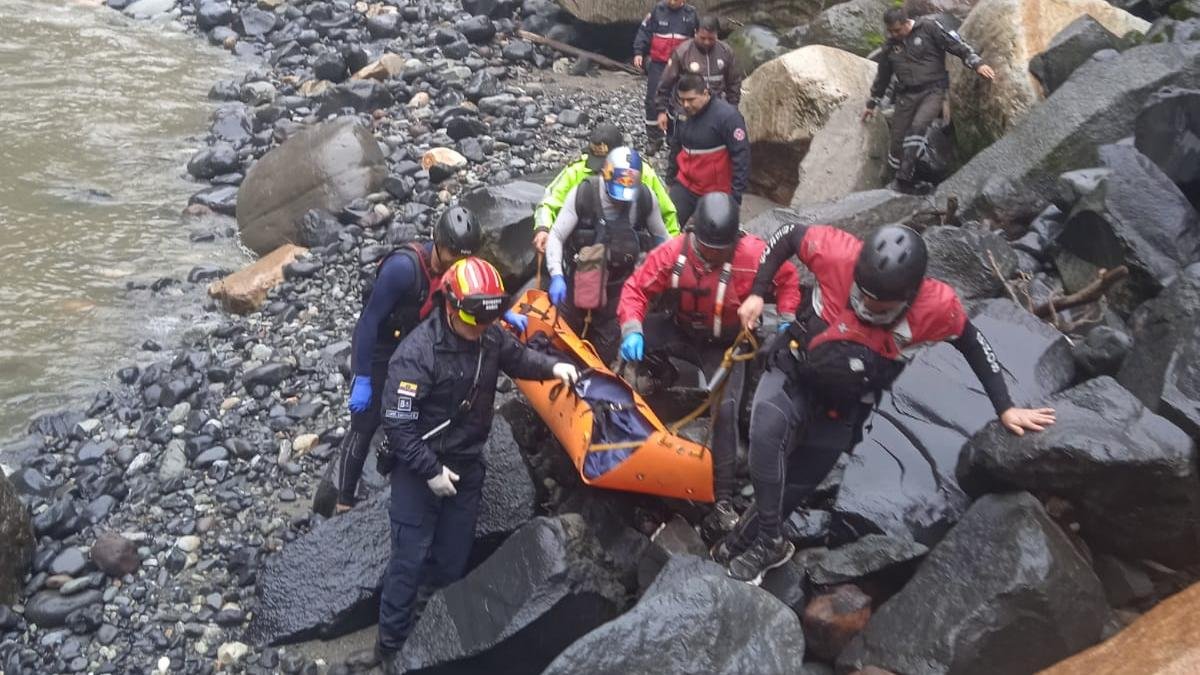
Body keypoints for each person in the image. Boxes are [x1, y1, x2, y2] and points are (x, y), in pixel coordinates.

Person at [716, 223, 1057, 584]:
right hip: (795, 371)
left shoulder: (936, 307)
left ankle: (742, 540)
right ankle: (770, 540)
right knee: (766, 434)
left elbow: (973, 343)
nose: (866, 308)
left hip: (842, 406)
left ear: (909, 297)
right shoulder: (835, 252)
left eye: (880, 306)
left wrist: (1005, 407)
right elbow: (786, 234)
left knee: (795, 485)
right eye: (861, 296)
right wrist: (757, 292)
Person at [376, 257, 580, 657]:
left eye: (488, 318)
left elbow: (519, 359)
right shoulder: (416, 355)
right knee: (408, 561)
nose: (479, 328)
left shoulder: (490, 335)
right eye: (474, 319)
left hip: (467, 466)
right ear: (451, 306)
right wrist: (430, 470)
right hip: (419, 470)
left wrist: (554, 367)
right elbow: (398, 427)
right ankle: (390, 647)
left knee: (452, 561)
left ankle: (432, 634)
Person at [616, 193, 800, 534]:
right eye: (707, 248)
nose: (713, 255)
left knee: (725, 411)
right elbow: (635, 290)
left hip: (725, 344)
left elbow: (788, 278)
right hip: (680, 330)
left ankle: (723, 499)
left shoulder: (753, 255)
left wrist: (787, 318)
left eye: (721, 249)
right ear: (695, 236)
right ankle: (647, 386)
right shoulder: (674, 253)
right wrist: (632, 329)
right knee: (627, 345)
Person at [324, 206, 481, 515]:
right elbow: (368, 322)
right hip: (383, 346)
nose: (456, 264)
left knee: (420, 413)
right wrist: (362, 376)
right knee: (365, 423)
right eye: (452, 255)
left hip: (415, 346)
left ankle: (409, 479)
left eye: (463, 258)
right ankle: (344, 499)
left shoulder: (459, 271)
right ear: (438, 242)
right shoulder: (403, 269)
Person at [545, 146, 672, 363]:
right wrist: (556, 275)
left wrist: (670, 273)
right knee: (559, 344)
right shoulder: (584, 194)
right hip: (578, 283)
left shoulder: (644, 198)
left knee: (604, 356)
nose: (621, 200)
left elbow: (664, 240)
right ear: (606, 175)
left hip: (619, 292)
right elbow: (556, 235)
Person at [861, 7, 995, 195]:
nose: (894, 35)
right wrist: (872, 104)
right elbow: (882, 78)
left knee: (918, 127)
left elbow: (955, 44)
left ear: (906, 23)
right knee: (897, 141)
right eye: (890, 31)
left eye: (897, 30)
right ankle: (907, 179)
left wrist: (977, 63)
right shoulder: (890, 47)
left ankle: (902, 180)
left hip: (933, 91)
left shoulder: (929, 28)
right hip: (906, 96)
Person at [533, 123, 678, 255]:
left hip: (631, 247)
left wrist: (672, 251)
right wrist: (543, 229)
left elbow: (668, 212)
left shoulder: (640, 173)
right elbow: (548, 203)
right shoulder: (576, 171)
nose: (603, 171)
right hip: (584, 251)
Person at [667, 73, 751, 227]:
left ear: (705, 93)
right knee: (667, 221)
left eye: (690, 100)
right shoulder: (682, 115)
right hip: (685, 184)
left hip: (715, 191)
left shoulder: (728, 117)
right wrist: (670, 180)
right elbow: (676, 148)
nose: (685, 105)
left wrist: (735, 198)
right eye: (682, 100)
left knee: (708, 234)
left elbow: (741, 157)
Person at [654, 15, 741, 138]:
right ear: (695, 32)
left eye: (711, 38)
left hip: (716, 111)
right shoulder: (682, 52)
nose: (706, 42)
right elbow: (665, 82)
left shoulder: (726, 52)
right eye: (702, 38)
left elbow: (734, 83)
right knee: (681, 144)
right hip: (686, 111)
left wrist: (733, 108)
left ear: (717, 34)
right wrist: (661, 111)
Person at [633, 0, 699, 153]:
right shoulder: (658, 10)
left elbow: (698, 38)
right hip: (659, 63)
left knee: (679, 101)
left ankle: (673, 137)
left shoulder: (691, 14)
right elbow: (644, 31)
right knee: (652, 99)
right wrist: (638, 52)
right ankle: (654, 139)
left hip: (681, 66)